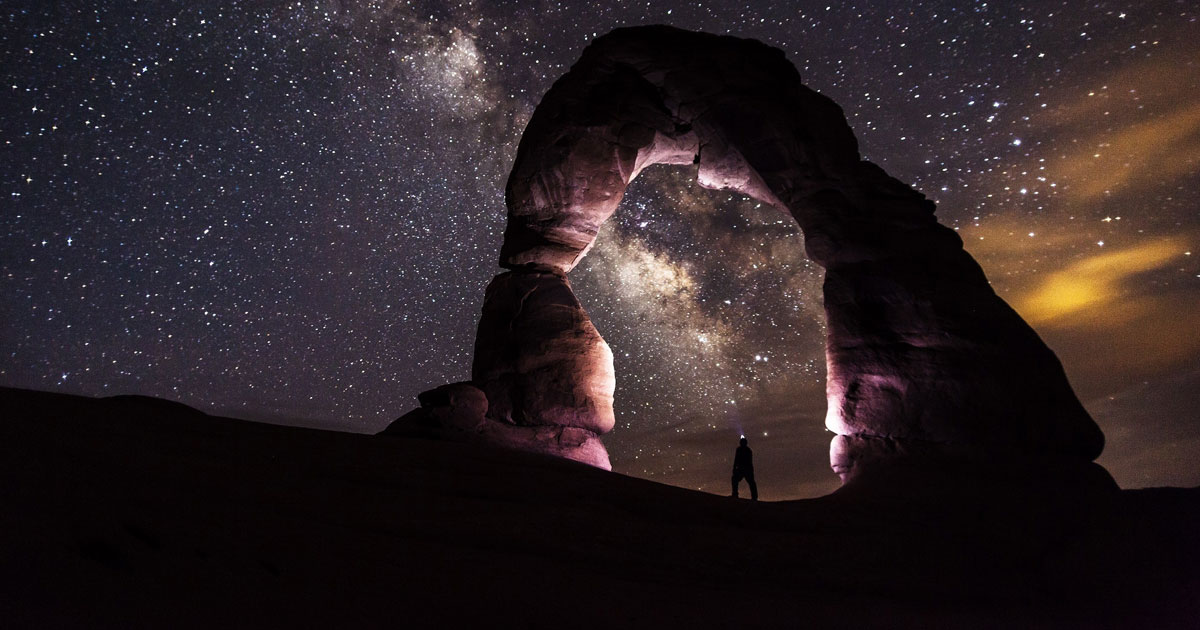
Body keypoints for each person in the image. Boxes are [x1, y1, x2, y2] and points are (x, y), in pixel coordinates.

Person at [731, 436, 758, 500]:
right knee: (750, 482)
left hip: (745, 469)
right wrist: (734, 468)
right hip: (744, 469)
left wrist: (734, 468)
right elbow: (736, 459)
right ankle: (735, 494)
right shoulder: (744, 450)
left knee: (751, 482)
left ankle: (754, 497)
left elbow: (737, 460)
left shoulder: (747, 450)